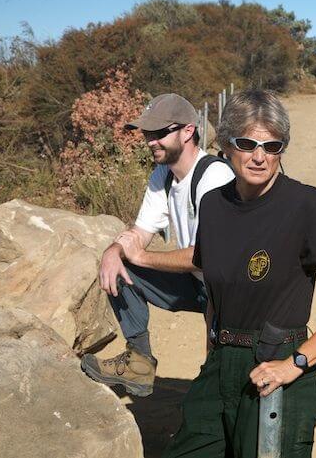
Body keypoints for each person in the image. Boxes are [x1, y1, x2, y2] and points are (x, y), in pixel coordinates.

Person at [157, 89, 316, 458]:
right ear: (226, 144)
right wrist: (212, 356)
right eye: (247, 144)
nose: (259, 157)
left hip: (277, 365)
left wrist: (295, 364)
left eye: (272, 146)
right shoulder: (212, 205)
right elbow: (214, 292)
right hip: (220, 364)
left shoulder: (307, 206)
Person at [81, 93, 235, 397]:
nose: (151, 141)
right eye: (147, 133)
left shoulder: (215, 176)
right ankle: (139, 363)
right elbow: (140, 232)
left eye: (160, 132)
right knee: (121, 265)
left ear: (188, 131)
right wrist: (114, 251)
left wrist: (141, 256)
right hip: (197, 283)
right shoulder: (163, 175)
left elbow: (207, 256)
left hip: (229, 292)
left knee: (218, 383)